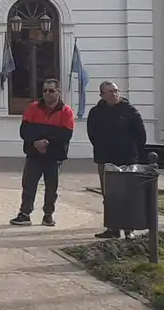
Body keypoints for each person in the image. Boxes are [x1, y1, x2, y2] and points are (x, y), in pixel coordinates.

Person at [86, 81, 148, 239]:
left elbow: (141, 136)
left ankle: (129, 229)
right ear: (102, 95)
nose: (114, 94)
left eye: (116, 90)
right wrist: (103, 148)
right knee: (109, 196)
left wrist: (131, 152)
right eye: (110, 91)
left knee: (128, 195)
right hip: (106, 160)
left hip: (127, 160)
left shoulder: (130, 111)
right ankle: (112, 229)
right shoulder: (96, 112)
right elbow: (92, 134)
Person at [12, 78, 74, 226]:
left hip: (54, 156)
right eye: (45, 90)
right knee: (28, 185)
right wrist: (35, 142)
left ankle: (48, 215)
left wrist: (47, 142)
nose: (47, 93)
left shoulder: (66, 111)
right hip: (34, 154)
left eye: (51, 90)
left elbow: (65, 134)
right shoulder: (32, 108)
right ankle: (25, 214)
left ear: (58, 92)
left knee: (51, 188)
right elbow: (24, 130)